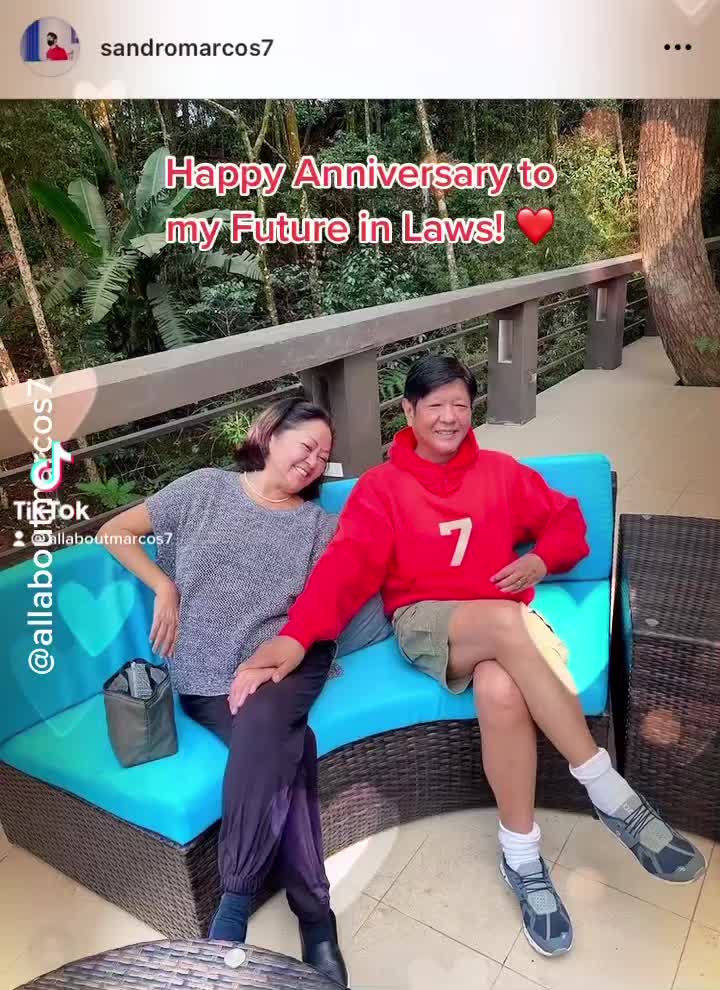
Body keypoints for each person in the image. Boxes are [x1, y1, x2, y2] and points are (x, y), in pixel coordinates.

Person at [241, 355, 706, 959]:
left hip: (503, 627)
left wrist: (540, 559)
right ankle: (609, 790)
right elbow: (345, 569)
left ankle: (522, 858)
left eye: (459, 404)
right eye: (434, 405)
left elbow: (567, 522)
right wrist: (298, 636)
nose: (448, 417)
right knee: (504, 622)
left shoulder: (501, 473)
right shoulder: (382, 488)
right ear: (408, 412)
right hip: (428, 621)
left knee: (500, 688)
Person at [98, 397, 391, 987]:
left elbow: (332, 600)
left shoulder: (318, 526)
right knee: (294, 747)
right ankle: (317, 922)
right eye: (306, 446)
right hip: (207, 675)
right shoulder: (204, 489)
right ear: (271, 434)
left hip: (287, 662)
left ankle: (232, 909)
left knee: (271, 721)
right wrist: (164, 587)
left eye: (324, 457)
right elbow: (113, 531)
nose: (313, 462)